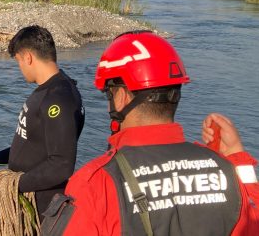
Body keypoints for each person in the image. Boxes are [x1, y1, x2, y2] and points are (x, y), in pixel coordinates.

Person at [41, 31, 259, 235]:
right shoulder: (228, 172)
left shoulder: (97, 183)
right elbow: (253, 216)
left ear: (122, 97)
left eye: (109, 93)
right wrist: (237, 157)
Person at [0, 25, 85, 220]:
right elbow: (33, 141)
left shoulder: (59, 99)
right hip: (29, 201)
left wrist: (15, 184)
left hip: (43, 209)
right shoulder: (49, 91)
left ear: (28, 57)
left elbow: (61, 164)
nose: (20, 68)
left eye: (18, 61)